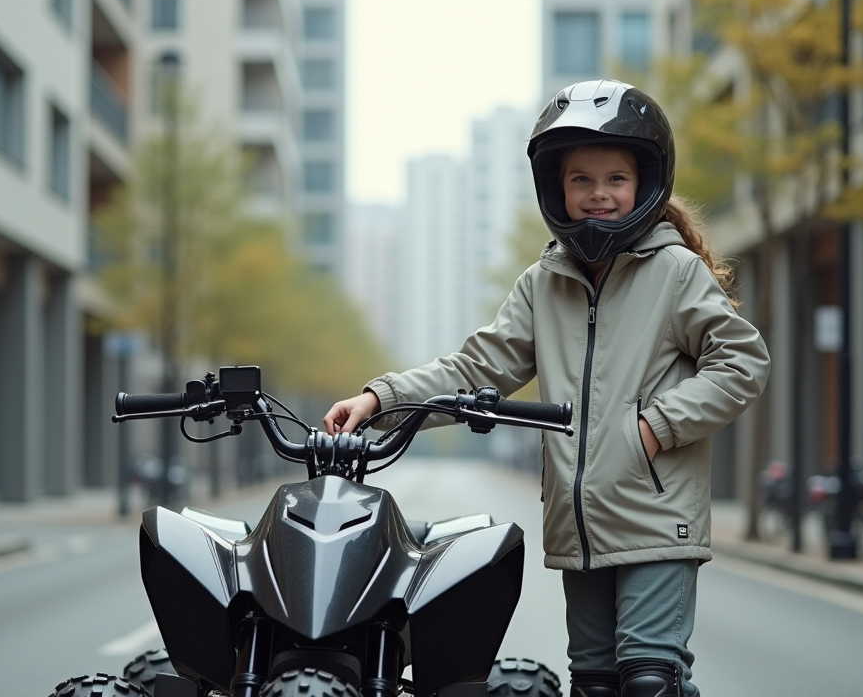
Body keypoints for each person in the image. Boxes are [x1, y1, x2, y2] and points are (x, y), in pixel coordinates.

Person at [323, 79, 771, 697]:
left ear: (644, 183)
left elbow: (742, 360)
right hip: (577, 527)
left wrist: (654, 428)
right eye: (580, 180)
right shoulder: (544, 282)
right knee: (591, 684)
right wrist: (381, 399)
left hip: (656, 514)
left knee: (649, 680)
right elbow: (477, 367)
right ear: (556, 188)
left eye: (615, 178)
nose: (598, 195)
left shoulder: (674, 271)